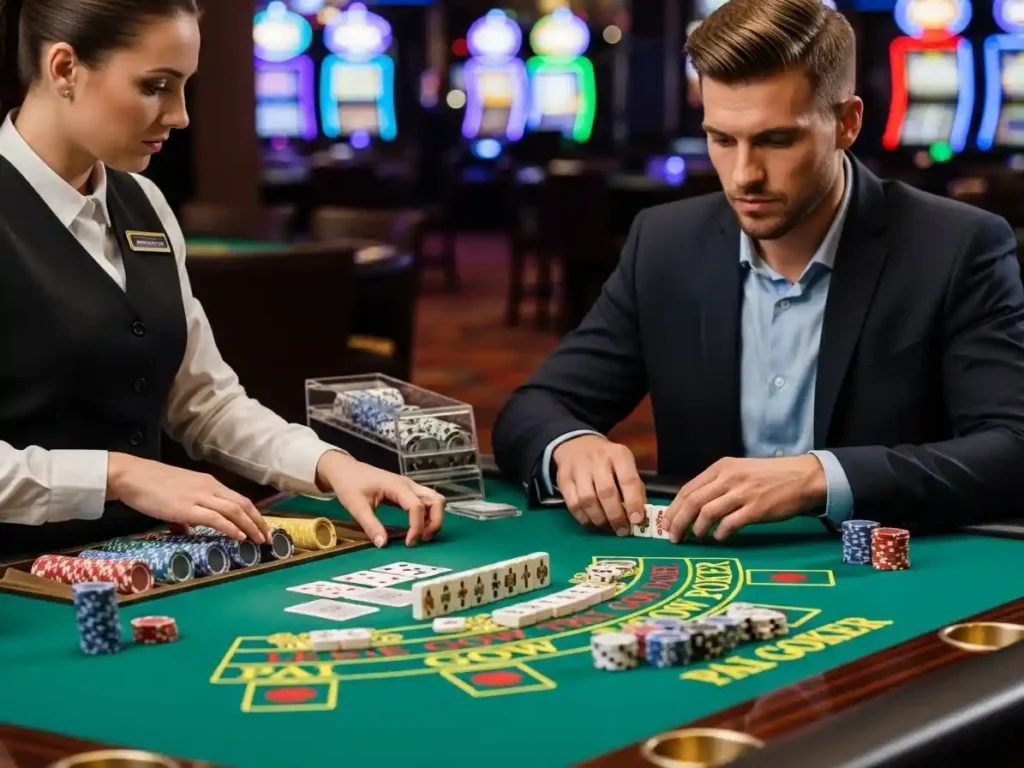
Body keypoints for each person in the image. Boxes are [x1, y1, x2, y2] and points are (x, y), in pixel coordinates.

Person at [492, 0, 1024, 542]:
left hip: (890, 578)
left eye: (776, 140)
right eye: (722, 139)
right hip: (705, 584)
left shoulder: (957, 246)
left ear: (847, 123)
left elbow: (1011, 449)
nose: (744, 175)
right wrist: (571, 445)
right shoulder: (665, 244)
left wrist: (820, 476)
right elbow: (533, 410)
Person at [0, 0, 445, 557]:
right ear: (64, 68)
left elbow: (204, 402)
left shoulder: (144, 202)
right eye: (156, 85)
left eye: (184, 85)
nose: (181, 114)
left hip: (143, 564)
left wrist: (332, 465)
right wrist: (118, 476)